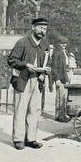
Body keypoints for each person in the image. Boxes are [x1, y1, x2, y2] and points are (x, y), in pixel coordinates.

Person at [7, 18, 51, 150]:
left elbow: (48, 61)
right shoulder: (23, 42)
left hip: (37, 81)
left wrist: (45, 70)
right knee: (20, 110)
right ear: (33, 27)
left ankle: (30, 139)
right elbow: (11, 60)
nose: (42, 31)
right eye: (40, 28)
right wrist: (25, 65)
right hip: (23, 80)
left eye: (45, 29)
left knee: (35, 110)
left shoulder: (45, 44)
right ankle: (18, 139)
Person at [50, 34, 71, 122]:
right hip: (60, 78)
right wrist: (56, 79)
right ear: (58, 43)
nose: (64, 45)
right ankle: (58, 115)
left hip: (65, 77)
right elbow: (54, 67)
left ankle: (63, 114)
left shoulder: (64, 52)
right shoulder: (56, 52)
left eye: (65, 43)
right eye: (62, 43)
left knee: (64, 97)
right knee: (60, 96)